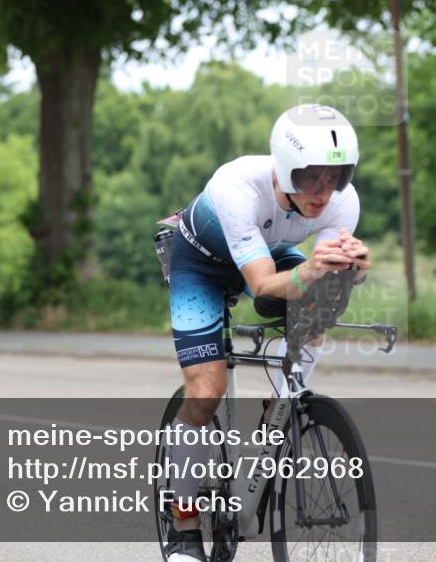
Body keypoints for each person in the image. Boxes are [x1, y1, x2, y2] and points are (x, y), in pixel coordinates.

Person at [162, 104, 371, 562]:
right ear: (284, 167)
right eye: (311, 176)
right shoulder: (237, 186)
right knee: (206, 390)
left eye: (335, 176)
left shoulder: (343, 200)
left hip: (268, 254)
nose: (323, 192)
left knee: (322, 300)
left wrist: (350, 271)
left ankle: (282, 401)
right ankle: (183, 528)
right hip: (203, 264)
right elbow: (260, 287)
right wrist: (314, 268)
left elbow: (324, 278)